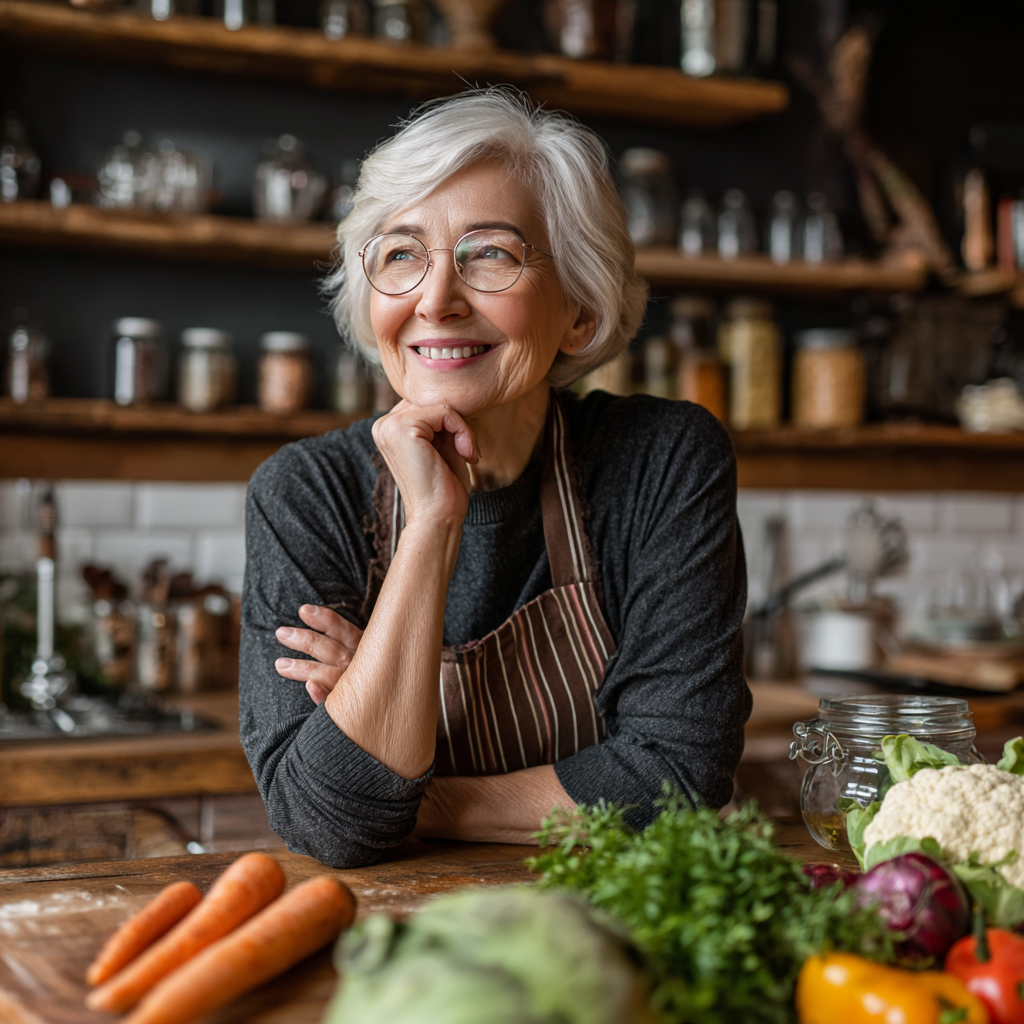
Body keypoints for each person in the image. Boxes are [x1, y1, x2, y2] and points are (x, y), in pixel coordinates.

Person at [240, 89, 750, 869]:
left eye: (490, 254)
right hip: (394, 928)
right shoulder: (306, 495)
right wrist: (433, 524)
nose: (436, 300)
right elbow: (328, 824)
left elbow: (677, 777)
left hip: (612, 916)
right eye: (402, 254)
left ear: (579, 310)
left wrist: (405, 792)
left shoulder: (661, 460)